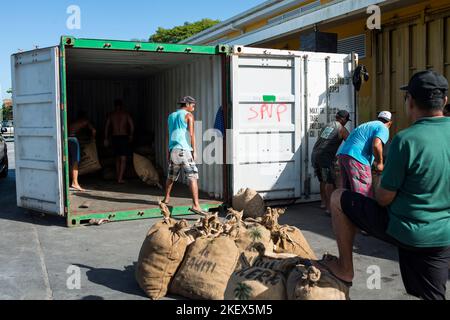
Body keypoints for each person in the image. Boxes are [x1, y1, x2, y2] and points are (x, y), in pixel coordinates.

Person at [319, 70, 450, 300]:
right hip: (443, 235)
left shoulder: (406, 140)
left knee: (339, 197)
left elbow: (383, 198)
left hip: (407, 230)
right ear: (445, 101)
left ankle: (345, 268)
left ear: (410, 101)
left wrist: (381, 171)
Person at [336, 111, 393, 198]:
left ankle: (347, 210)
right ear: (390, 123)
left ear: (378, 118)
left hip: (343, 155)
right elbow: (376, 144)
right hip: (357, 157)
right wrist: (380, 163)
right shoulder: (383, 127)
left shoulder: (368, 125)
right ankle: (363, 211)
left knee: (348, 190)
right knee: (363, 193)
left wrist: (373, 163)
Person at [162, 96, 203, 214]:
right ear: (188, 104)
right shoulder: (188, 116)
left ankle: (166, 198)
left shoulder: (171, 116)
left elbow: (168, 135)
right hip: (184, 150)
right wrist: (194, 150)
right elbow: (191, 134)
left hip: (173, 150)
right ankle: (196, 205)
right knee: (193, 176)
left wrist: (168, 151)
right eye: (193, 105)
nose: (194, 108)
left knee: (171, 176)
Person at [311, 110, 351, 214]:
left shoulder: (328, 125)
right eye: (346, 120)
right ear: (343, 119)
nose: (346, 122)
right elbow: (351, 142)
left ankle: (323, 203)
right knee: (329, 181)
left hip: (315, 155)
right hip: (325, 157)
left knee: (323, 180)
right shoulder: (341, 129)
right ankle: (330, 208)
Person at [104, 99, 135, 184]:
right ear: (122, 106)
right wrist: (131, 135)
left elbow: (107, 127)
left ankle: (118, 177)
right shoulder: (126, 114)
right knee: (123, 158)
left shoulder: (111, 115)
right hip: (123, 137)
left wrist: (106, 138)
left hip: (115, 137)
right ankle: (120, 178)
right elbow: (131, 126)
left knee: (117, 158)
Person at [68, 110, 96, 192]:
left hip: (68, 139)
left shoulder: (74, 122)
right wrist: (93, 139)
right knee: (76, 161)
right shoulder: (85, 121)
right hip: (73, 140)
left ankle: (72, 181)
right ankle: (75, 183)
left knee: (71, 161)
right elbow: (94, 131)